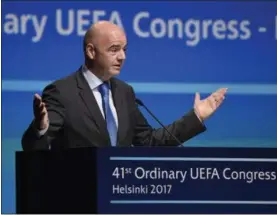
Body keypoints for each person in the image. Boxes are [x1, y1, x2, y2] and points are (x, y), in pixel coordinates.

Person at [21, 21, 227, 151]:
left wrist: (196, 117)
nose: (122, 56)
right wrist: (40, 128)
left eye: (125, 49)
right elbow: (33, 148)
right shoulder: (62, 92)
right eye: (114, 49)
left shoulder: (124, 92)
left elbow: (148, 142)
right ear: (91, 51)